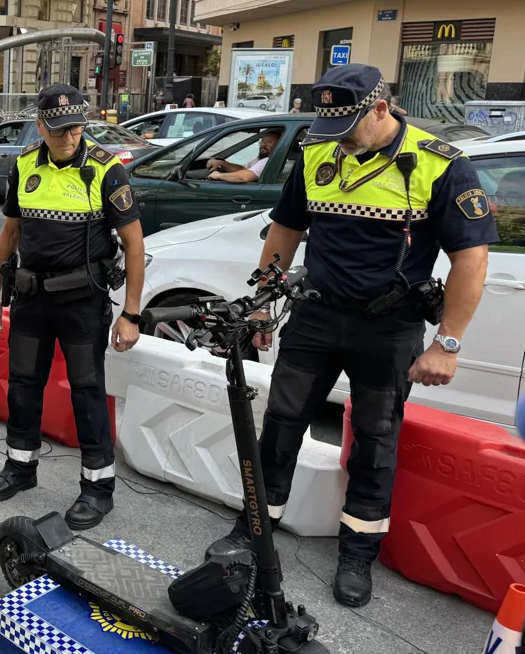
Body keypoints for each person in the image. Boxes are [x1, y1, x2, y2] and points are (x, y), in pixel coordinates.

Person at [204, 64, 497, 607]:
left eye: (347, 130)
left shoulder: (441, 166)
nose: (336, 143)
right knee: (281, 425)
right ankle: (253, 532)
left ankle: (358, 554)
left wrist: (447, 342)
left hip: (390, 328)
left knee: (375, 441)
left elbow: (471, 259)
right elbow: (287, 228)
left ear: (380, 109)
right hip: (316, 318)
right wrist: (265, 303)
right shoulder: (318, 153)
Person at [0, 83, 147, 530]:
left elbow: (133, 244)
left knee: (87, 391)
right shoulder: (24, 166)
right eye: (58, 130)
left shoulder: (106, 170)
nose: (69, 137)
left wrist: (131, 314)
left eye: (76, 128)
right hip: (32, 298)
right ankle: (20, 467)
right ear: (40, 125)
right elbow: (10, 234)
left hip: (82, 304)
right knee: (22, 384)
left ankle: (97, 489)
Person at [206, 128, 285, 183]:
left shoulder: (267, 161)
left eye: (269, 142)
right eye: (262, 141)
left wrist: (219, 175)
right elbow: (243, 168)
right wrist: (222, 163)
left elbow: (243, 177)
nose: (263, 144)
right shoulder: (259, 159)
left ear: (279, 145)